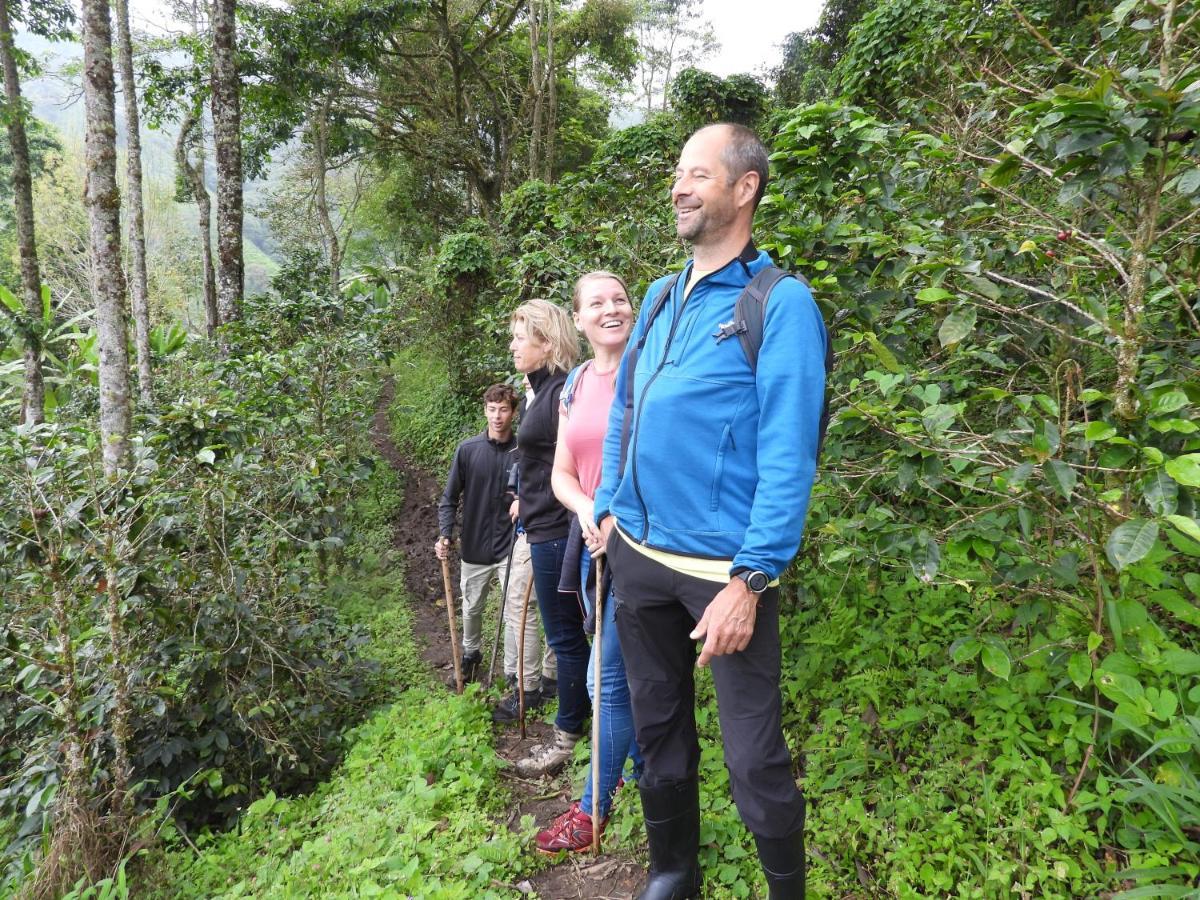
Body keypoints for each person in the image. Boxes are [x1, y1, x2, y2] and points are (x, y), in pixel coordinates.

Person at [594, 123, 827, 898]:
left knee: (753, 754)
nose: (679, 186)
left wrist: (752, 579)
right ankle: (672, 873)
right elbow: (628, 403)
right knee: (659, 728)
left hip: (721, 573)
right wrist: (607, 505)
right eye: (677, 174)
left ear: (744, 187)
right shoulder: (660, 295)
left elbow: (790, 451)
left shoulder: (779, 303)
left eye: (698, 173)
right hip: (638, 554)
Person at [533, 271, 642, 853]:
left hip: (644, 551)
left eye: (619, 299)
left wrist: (618, 517)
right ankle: (648, 782)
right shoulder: (574, 384)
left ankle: (592, 809)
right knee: (616, 684)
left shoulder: (652, 369)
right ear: (577, 320)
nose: (610, 309)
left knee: (611, 683)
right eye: (596, 303)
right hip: (594, 550)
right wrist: (587, 512)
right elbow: (562, 474)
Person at [508, 298, 590, 777]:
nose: (514, 345)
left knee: (566, 637)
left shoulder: (563, 390)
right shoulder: (545, 389)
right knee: (567, 635)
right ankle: (575, 723)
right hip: (543, 524)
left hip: (558, 529)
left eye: (522, 337)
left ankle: (566, 736)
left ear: (548, 342)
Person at [435, 384, 523, 685]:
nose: (497, 416)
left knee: (514, 612)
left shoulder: (522, 452)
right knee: (471, 608)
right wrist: (445, 534)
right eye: (492, 409)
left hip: (512, 545)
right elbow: (449, 498)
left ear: (513, 412)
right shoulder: (468, 450)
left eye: (503, 409)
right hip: (473, 545)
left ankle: (513, 672)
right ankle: (471, 656)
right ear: (485, 410)